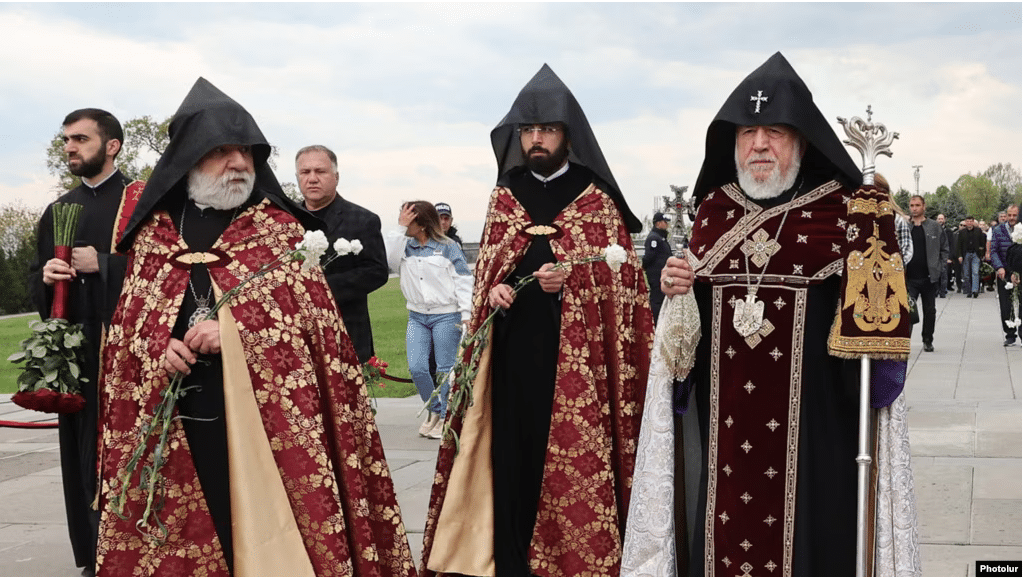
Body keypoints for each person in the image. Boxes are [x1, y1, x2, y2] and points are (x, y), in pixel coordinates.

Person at [93, 78, 414, 576]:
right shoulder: (154, 230)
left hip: (266, 415)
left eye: (245, 152)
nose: (238, 162)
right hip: (175, 410)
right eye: (221, 152)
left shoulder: (277, 228)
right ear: (190, 157)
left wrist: (235, 332)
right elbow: (129, 320)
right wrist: (158, 344)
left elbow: (313, 322)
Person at [626, 52, 919, 577]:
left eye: (774, 132)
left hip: (817, 438)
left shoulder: (843, 215)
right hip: (726, 440)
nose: (758, 144)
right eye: (747, 133)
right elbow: (680, 358)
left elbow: (882, 345)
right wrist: (675, 293)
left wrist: (875, 261)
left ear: (802, 140)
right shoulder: (714, 213)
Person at [420, 64, 654, 577]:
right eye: (528, 130)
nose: (536, 139)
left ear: (568, 135)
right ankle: (510, 559)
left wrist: (572, 281)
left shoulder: (596, 199)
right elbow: (488, 271)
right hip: (511, 357)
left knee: (567, 453)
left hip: (575, 366)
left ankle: (570, 558)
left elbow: (622, 287)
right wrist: (494, 290)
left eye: (547, 129)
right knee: (510, 453)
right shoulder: (505, 195)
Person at [28, 108, 142, 577]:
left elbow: (169, 274)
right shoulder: (58, 210)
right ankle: (95, 554)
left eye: (80, 139)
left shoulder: (144, 202)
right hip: (78, 356)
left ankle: (137, 552)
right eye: (66, 140)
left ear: (112, 146)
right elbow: (38, 288)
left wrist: (106, 265)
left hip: (130, 354)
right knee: (81, 455)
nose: (70, 147)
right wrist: (46, 277)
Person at [384, 201, 472, 439]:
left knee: (444, 368)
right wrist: (399, 228)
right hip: (417, 315)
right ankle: (434, 409)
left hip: (446, 314)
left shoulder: (449, 247)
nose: (404, 223)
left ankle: (444, 416)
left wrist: (466, 314)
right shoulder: (404, 247)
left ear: (421, 223)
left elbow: (464, 279)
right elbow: (389, 260)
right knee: (417, 367)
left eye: (408, 219)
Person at [294, 144, 388, 363]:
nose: (312, 178)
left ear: (336, 177)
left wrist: (320, 288)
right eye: (305, 172)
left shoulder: (363, 220)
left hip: (347, 333)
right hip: (298, 338)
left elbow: (377, 271)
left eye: (320, 171)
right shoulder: (285, 220)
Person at [906, 194, 948, 352]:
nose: (914, 208)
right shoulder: (905, 226)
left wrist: (939, 267)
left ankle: (927, 339)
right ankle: (905, 341)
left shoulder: (934, 226)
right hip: (909, 278)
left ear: (923, 206)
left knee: (930, 311)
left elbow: (944, 249)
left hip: (929, 277)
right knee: (907, 310)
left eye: (917, 205)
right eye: (912, 205)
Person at [991, 205, 1020, 346]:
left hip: (1020, 270)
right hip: (1004, 271)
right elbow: (994, 251)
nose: (1012, 218)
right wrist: (999, 267)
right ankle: (1010, 334)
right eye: (1009, 215)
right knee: (1005, 305)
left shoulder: (1021, 228)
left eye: (1014, 215)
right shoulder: (998, 230)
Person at [643, 211, 673, 323]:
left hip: (663, 273)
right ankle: (655, 322)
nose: (667, 224)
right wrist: (644, 266)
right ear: (658, 223)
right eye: (664, 222)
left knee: (662, 298)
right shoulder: (654, 238)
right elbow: (649, 256)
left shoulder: (661, 237)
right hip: (656, 274)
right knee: (657, 299)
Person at [957, 215, 986, 298]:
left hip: (975, 254)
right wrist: (959, 255)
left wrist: (982, 254)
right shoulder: (962, 232)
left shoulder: (978, 231)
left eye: (971, 221)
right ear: (966, 222)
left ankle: (975, 290)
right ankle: (968, 290)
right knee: (966, 274)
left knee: (975, 272)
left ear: (973, 222)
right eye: (968, 221)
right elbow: (959, 245)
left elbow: (982, 243)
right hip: (965, 254)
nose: (969, 223)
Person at [936, 213, 953, 297]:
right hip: (935, 255)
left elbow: (951, 244)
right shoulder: (933, 230)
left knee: (944, 274)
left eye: (941, 219)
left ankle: (943, 291)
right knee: (935, 274)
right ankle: (936, 291)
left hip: (944, 255)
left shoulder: (948, 231)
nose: (940, 220)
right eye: (939, 219)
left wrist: (949, 257)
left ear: (944, 220)